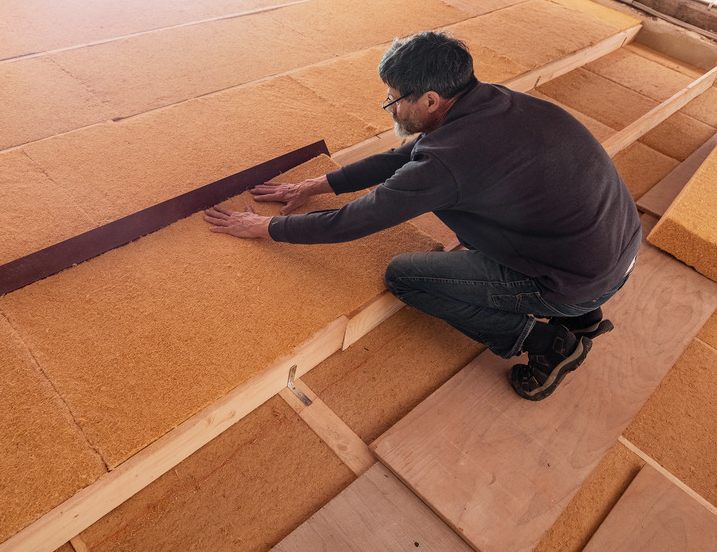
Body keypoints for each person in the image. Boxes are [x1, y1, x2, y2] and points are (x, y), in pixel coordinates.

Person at [203, 31, 641, 401]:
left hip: (573, 281)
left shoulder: (450, 161)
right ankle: (582, 317)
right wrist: (316, 184)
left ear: (430, 100)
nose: (389, 107)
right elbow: (406, 155)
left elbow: (355, 221)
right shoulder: (488, 102)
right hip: (615, 247)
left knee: (405, 276)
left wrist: (266, 227)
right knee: (489, 223)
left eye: (393, 99)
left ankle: (549, 343)